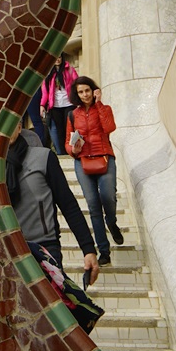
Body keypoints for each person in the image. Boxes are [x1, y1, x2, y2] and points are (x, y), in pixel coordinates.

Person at [6, 120, 99, 284]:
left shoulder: (43, 157)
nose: (5, 130)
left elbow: (68, 205)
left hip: (45, 249)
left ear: (19, 127)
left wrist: (88, 249)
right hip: (7, 252)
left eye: (10, 123)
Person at [66, 76, 123, 267]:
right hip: (83, 161)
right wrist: (72, 149)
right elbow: (68, 140)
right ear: (77, 94)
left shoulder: (104, 109)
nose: (84, 95)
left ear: (94, 90)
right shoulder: (73, 114)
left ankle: (112, 223)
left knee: (108, 197)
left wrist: (99, 104)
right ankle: (104, 251)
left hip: (105, 157)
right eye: (81, 92)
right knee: (93, 206)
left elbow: (109, 127)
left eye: (87, 91)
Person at [40, 52, 78, 155]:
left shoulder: (69, 69)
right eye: (55, 57)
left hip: (69, 104)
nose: (57, 59)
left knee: (69, 129)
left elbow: (77, 83)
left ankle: (72, 150)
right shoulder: (48, 73)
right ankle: (64, 153)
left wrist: (78, 99)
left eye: (59, 57)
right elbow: (45, 92)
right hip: (55, 106)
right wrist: (42, 105)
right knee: (59, 130)